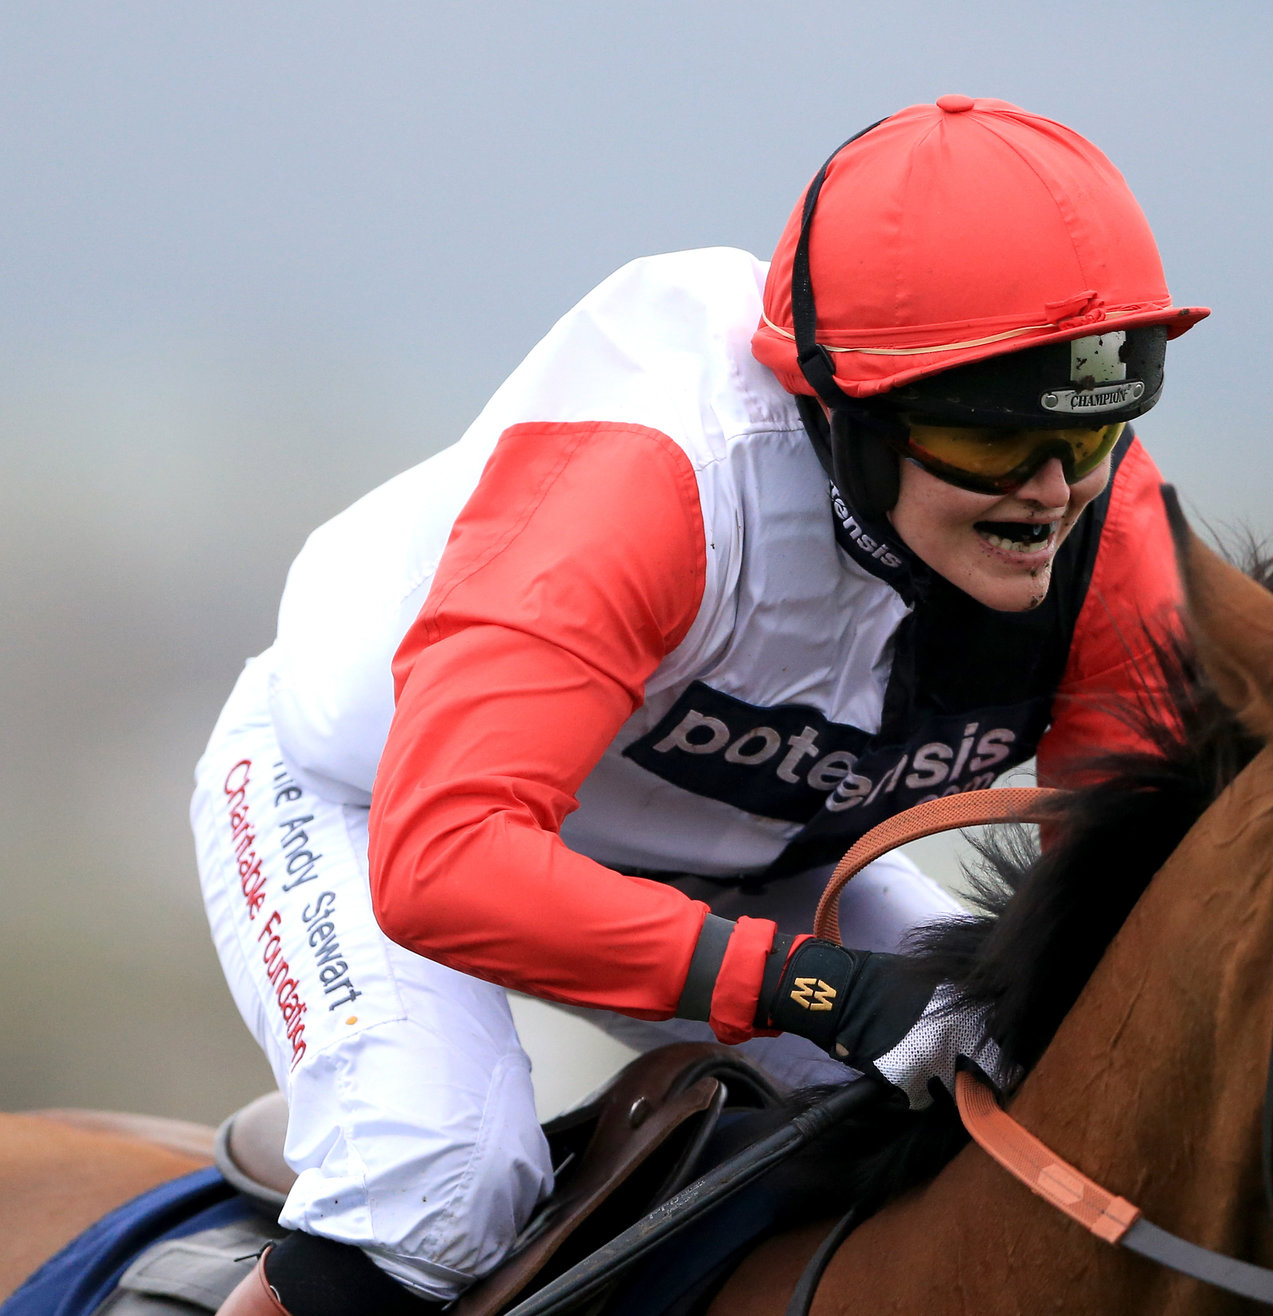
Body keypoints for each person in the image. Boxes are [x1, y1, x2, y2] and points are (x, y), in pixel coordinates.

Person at [191, 95, 1206, 1315]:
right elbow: (447, 862)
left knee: (1030, 1110)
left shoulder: (1109, 531)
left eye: (1092, 426)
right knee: (439, 1176)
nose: (1049, 492)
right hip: (384, 806)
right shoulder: (655, 485)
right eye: (985, 440)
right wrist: (809, 986)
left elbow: (1137, 921)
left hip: (761, 858)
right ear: (836, 403)